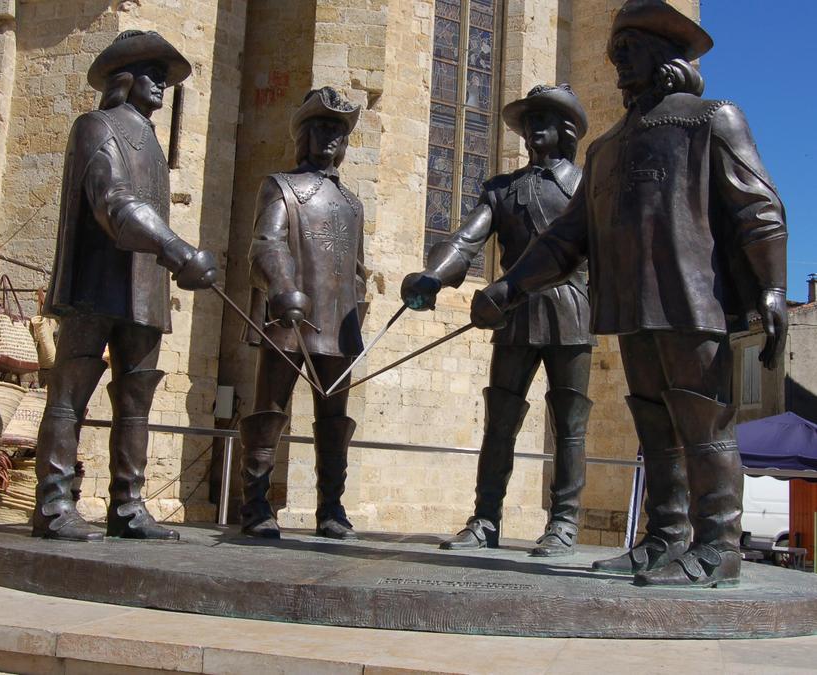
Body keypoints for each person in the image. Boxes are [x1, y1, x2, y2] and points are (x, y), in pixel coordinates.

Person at [469, 0, 787, 587]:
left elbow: (758, 209)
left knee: (704, 424)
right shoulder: (606, 147)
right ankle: (663, 538)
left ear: (665, 55)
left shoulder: (711, 118)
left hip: (694, 304)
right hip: (633, 306)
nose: (618, 63)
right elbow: (567, 239)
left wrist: (772, 289)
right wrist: (510, 287)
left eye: (629, 51)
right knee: (654, 426)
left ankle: (719, 546)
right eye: (615, 53)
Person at [34, 31, 219, 542]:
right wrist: (177, 249)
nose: (160, 82)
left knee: (136, 401)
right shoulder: (97, 126)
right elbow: (113, 201)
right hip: (96, 283)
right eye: (150, 72)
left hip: (145, 289)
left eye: (163, 74)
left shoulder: (152, 141)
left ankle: (129, 505)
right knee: (70, 394)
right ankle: (53, 504)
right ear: (124, 78)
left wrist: (170, 257)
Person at [402, 84, 593, 556]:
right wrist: (433, 276)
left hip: (570, 312)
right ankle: (486, 519)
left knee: (570, 423)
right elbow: (465, 240)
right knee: (500, 421)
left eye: (543, 120)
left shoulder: (587, 187)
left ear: (566, 129)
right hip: (513, 313)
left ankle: (564, 522)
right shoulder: (502, 190)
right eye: (529, 121)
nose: (533, 129)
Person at [240, 87, 368, 540]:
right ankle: (256, 504)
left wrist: (357, 315)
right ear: (304, 134)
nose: (331, 136)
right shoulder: (281, 187)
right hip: (288, 319)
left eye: (338, 130)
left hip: (339, 327)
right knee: (269, 411)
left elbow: (357, 269)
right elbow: (266, 244)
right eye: (322, 127)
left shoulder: (353, 204)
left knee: (334, 420)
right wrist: (282, 287)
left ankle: (331, 507)